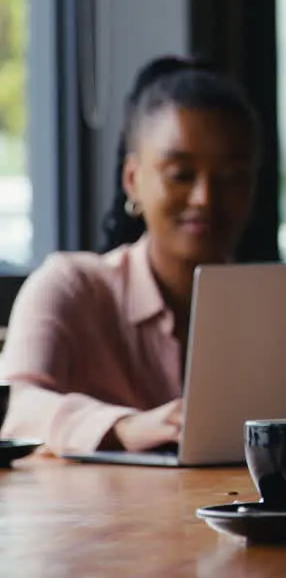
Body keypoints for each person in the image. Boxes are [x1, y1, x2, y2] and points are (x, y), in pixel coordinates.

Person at [0, 56, 259, 455]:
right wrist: (125, 426)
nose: (205, 199)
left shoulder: (270, 310)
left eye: (231, 177)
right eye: (181, 175)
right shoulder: (72, 287)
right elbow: (15, 407)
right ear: (133, 180)